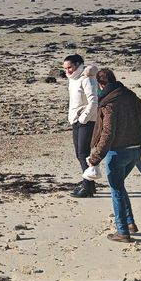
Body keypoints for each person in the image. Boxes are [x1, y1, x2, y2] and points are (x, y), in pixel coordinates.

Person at [87, 68, 141, 243]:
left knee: (116, 189)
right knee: (119, 186)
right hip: (136, 149)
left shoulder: (109, 103)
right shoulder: (132, 97)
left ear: (101, 84)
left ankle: (122, 232)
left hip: (118, 151)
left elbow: (107, 133)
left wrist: (95, 158)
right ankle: (130, 223)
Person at [64, 54, 99, 197]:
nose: (67, 71)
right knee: (80, 154)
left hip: (87, 121)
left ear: (78, 65)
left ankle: (87, 186)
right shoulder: (73, 80)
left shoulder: (87, 78)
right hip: (76, 120)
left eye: (70, 67)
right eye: (65, 68)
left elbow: (94, 101)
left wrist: (83, 119)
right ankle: (89, 184)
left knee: (83, 154)